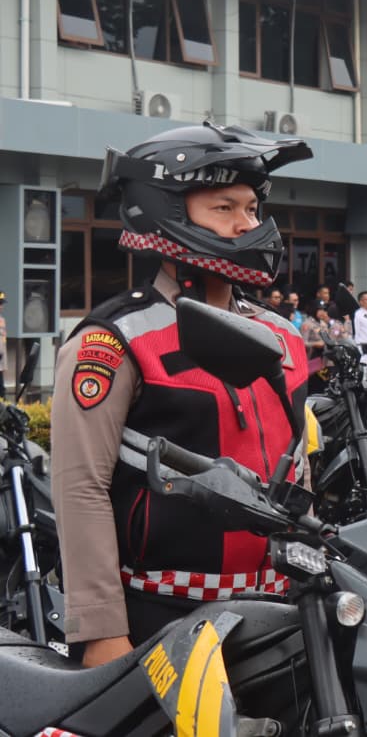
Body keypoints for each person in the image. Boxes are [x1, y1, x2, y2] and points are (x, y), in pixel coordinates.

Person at [51, 123, 311, 666]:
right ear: (166, 210)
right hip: (160, 617)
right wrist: (100, 630)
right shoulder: (113, 339)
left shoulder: (283, 336)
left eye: (253, 208)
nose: (250, 224)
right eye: (225, 208)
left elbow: (299, 472)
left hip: (279, 614)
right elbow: (81, 489)